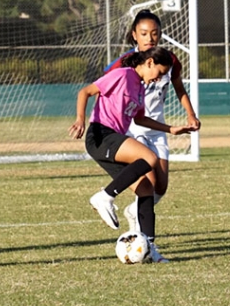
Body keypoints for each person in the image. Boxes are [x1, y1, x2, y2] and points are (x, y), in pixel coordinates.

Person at [69, 46, 197, 263]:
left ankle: (149, 249)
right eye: (158, 73)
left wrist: (171, 129)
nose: (158, 79)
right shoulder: (122, 75)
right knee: (150, 158)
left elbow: (139, 119)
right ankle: (105, 196)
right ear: (149, 63)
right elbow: (86, 92)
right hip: (100, 135)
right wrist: (81, 119)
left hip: (113, 137)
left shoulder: (139, 87)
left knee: (146, 189)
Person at [104, 10, 201, 232]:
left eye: (155, 33)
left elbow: (179, 89)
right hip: (131, 130)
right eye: (144, 33)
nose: (150, 38)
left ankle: (133, 211)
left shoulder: (170, 60)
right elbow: (102, 87)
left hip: (156, 129)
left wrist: (191, 114)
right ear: (134, 35)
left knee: (161, 187)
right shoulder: (125, 63)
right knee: (147, 184)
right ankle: (140, 233)